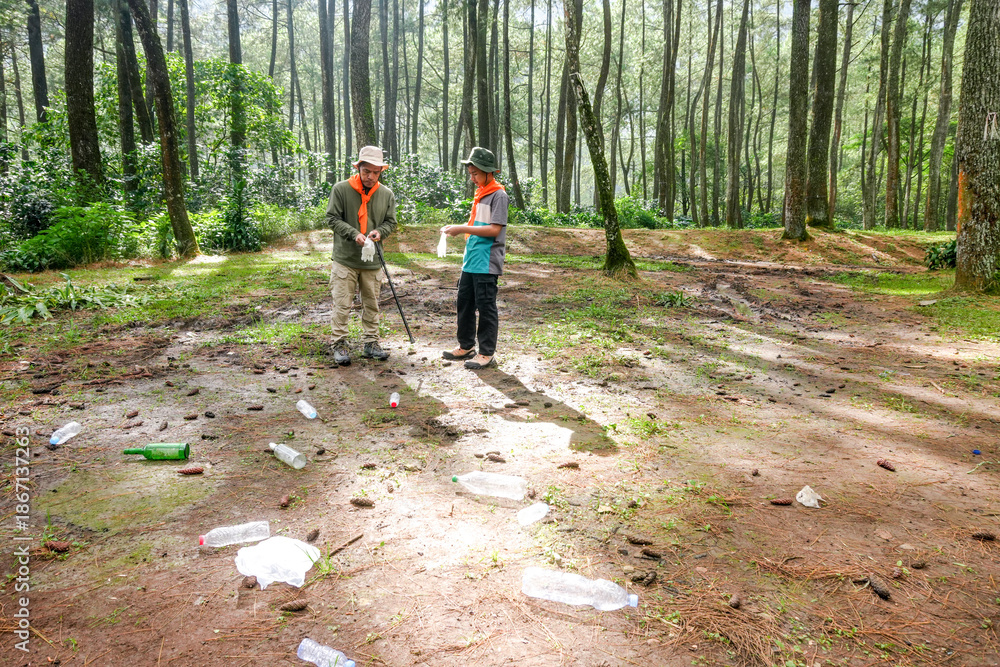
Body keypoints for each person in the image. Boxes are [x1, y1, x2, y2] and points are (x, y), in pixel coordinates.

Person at [326, 146, 397, 366]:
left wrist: (379, 232)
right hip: (345, 259)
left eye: (376, 172)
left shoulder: (386, 194)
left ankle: (371, 343)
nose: (371, 177)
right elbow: (332, 218)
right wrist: (353, 233)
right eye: (367, 171)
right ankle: (339, 344)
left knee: (372, 303)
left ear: (381, 171)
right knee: (342, 303)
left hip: (372, 261)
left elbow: (390, 222)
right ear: (358, 168)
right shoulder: (341, 189)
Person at [440, 147, 510, 370]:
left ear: (489, 172)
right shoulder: (481, 194)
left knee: (486, 306)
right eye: (470, 174)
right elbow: (478, 225)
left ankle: (486, 353)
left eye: (476, 174)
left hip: (486, 261)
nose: (472, 178)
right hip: (471, 259)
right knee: (465, 302)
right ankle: (466, 345)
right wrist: (458, 228)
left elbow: (494, 229)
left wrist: (461, 228)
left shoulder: (499, 195)